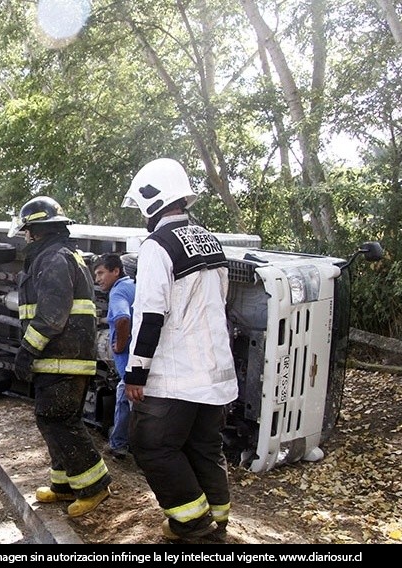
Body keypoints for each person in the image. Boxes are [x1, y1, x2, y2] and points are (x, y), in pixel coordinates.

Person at [121, 157, 238, 542]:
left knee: (151, 445)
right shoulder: (210, 239)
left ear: (151, 202)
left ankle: (194, 526)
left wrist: (136, 373)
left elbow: (151, 313)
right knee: (204, 446)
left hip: (175, 375)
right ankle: (217, 520)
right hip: (214, 371)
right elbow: (221, 301)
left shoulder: (157, 246)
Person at [8, 195, 111, 518]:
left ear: (38, 230)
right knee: (52, 417)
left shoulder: (54, 258)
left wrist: (27, 350)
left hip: (62, 358)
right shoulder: (57, 255)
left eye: (27, 231)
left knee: (58, 418)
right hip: (61, 357)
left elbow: (52, 315)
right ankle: (65, 484)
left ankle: (95, 486)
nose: (25, 237)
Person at [93, 253, 135, 460]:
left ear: (116, 271)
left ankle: (125, 447)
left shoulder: (118, 292)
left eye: (101, 273)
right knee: (122, 398)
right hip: (137, 363)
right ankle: (118, 442)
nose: (98, 279)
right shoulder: (132, 286)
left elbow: (122, 318)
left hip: (131, 364)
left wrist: (119, 344)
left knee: (131, 401)